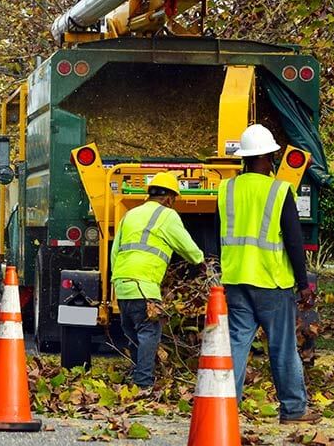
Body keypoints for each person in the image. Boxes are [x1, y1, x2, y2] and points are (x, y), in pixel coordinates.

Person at [218, 124, 320, 424]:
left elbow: (217, 234)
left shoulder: (227, 189)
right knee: (283, 346)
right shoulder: (279, 191)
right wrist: (303, 284)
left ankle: (224, 411)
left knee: (237, 343)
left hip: (236, 279)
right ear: (265, 157)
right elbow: (293, 240)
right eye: (272, 155)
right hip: (272, 281)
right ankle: (294, 409)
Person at [111, 171, 206, 390]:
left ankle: (135, 376)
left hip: (123, 285)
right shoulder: (166, 215)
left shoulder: (130, 215)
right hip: (144, 286)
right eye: (173, 201)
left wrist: (119, 280)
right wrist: (201, 262)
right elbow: (187, 247)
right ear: (167, 198)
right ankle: (143, 383)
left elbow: (115, 252)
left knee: (134, 333)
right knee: (148, 332)